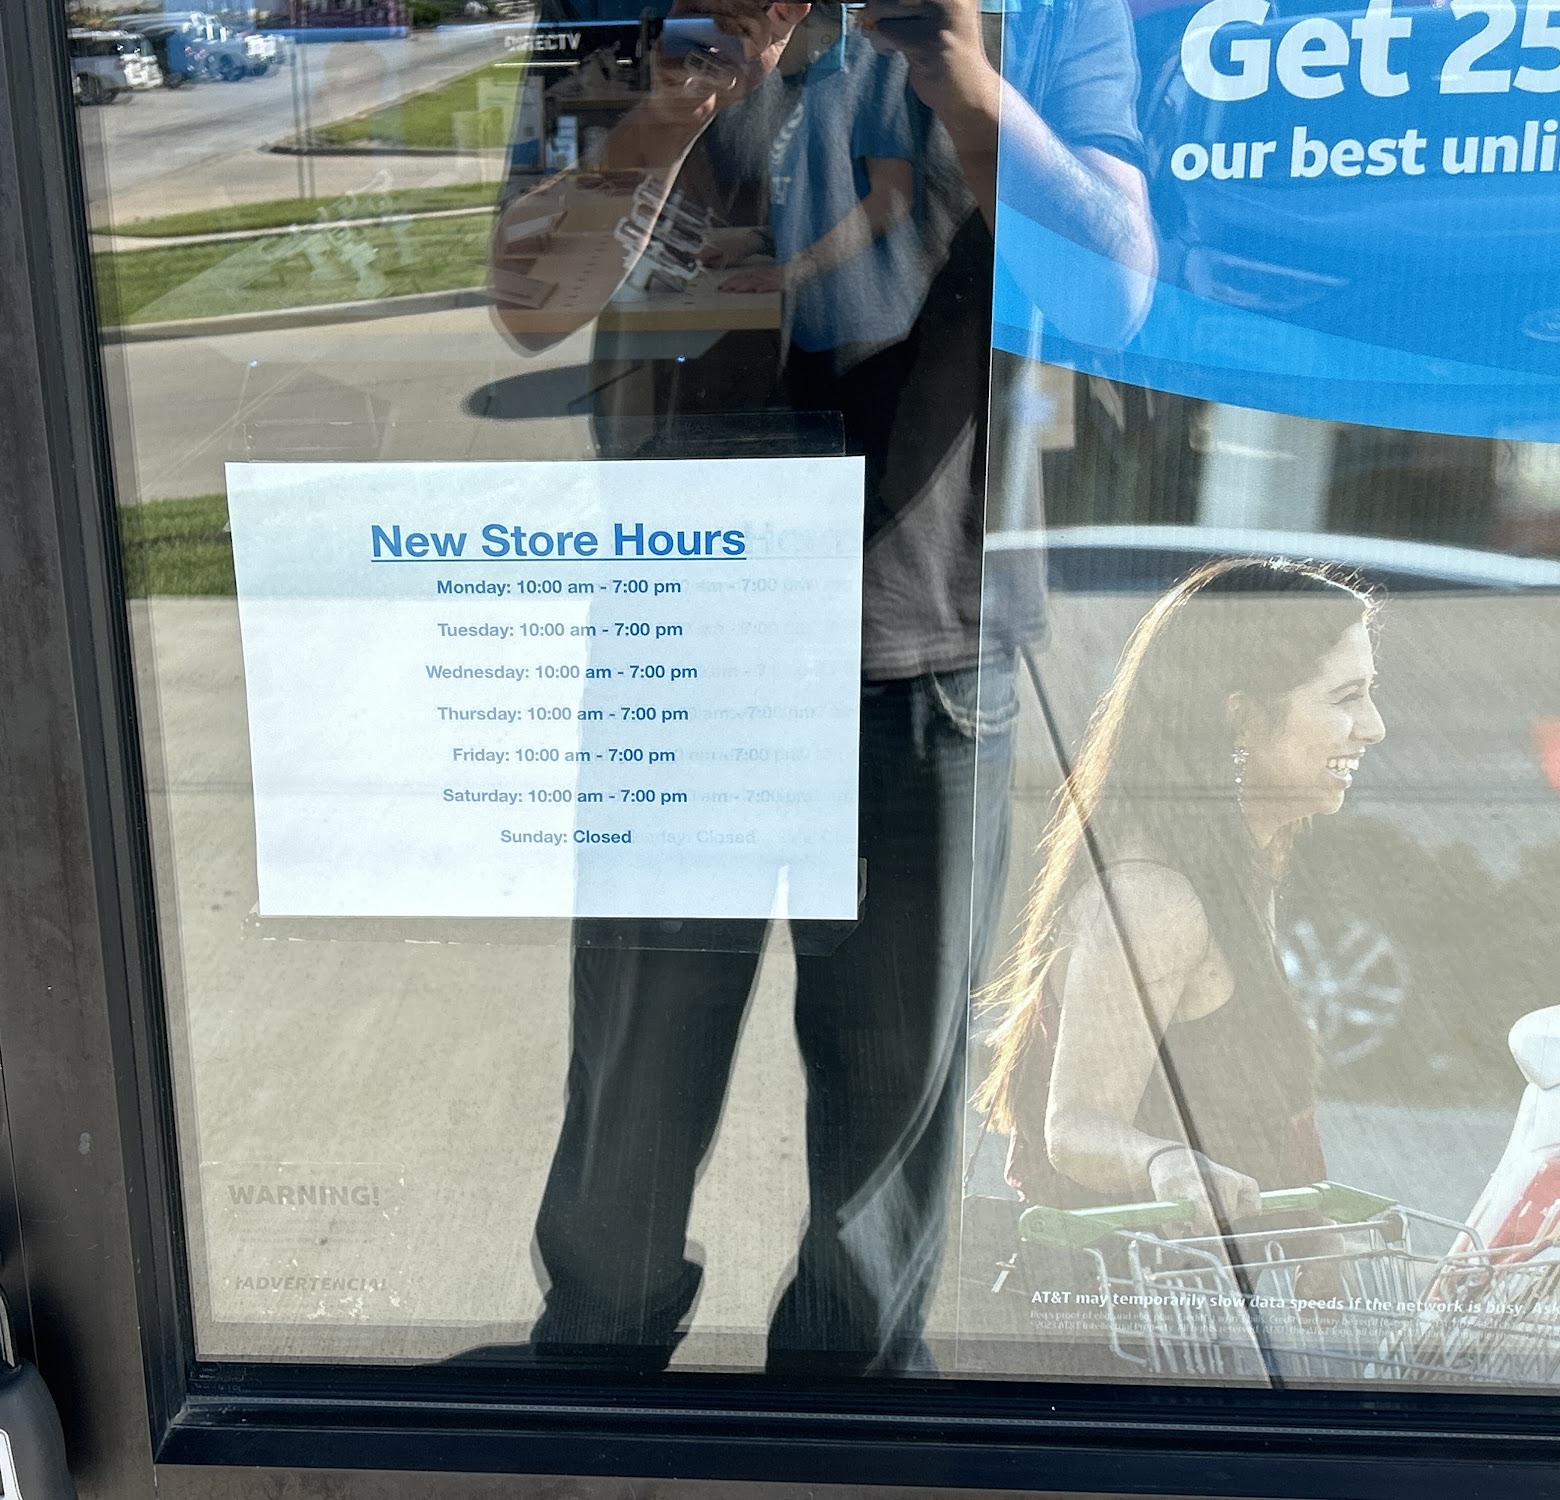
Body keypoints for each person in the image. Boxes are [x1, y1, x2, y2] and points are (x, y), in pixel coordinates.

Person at [477, 0, 1156, 1376]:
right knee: (634, 1079)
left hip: (929, 627)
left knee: (894, 1103)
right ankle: (595, 1383)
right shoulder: (628, 7)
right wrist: (671, 105)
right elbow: (528, 304)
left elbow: (1114, 297)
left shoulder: (1036, 10)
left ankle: (847, 1413)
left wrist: (960, 69)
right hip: (686, 625)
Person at [978, 559, 1388, 1228]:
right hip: (1123, 1282)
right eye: (1347, 698)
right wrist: (1166, 1163)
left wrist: (1314, 1235)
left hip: (1205, 1276)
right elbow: (1074, 1128)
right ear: (1243, 720)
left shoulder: (1239, 860)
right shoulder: (1153, 899)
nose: (1374, 726)